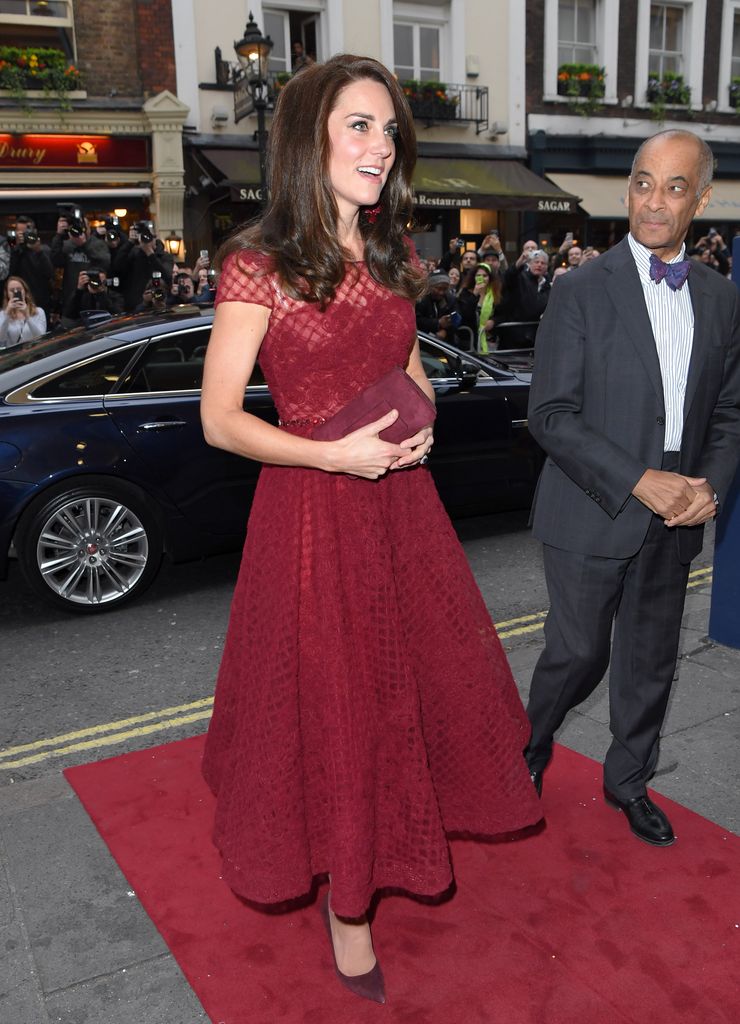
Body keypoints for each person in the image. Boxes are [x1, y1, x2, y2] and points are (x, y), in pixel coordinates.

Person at [200, 53, 541, 1006]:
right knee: (338, 704)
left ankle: (386, 847)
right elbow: (219, 419)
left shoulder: (393, 256)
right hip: (313, 512)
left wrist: (419, 423)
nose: (381, 146)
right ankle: (347, 905)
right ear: (307, 138)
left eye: (389, 130)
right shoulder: (258, 262)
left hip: (400, 509)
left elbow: (407, 368)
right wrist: (331, 456)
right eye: (359, 125)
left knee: (409, 693)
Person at [525, 129, 740, 848]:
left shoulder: (721, 298)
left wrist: (710, 486)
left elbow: (730, 411)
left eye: (674, 187)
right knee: (578, 652)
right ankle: (528, 748)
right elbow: (551, 414)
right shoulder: (580, 289)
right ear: (627, 189)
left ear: (699, 201)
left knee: (650, 660)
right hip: (592, 504)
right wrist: (639, 480)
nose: (653, 201)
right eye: (643, 183)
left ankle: (629, 782)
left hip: (676, 514)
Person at [8, 216, 54, 319]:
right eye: (21, 232)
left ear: (35, 231)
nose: (25, 235)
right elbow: (10, 274)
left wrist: (38, 251)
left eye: (27, 232)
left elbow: (50, 273)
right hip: (19, 301)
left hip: (41, 302)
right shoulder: (14, 251)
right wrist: (16, 248)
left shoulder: (44, 250)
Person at [0, 276, 47, 348]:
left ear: (25, 291)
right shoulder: (3, 314)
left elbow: (40, 337)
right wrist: (7, 315)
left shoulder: (39, 311)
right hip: (15, 353)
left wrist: (27, 317)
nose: (16, 292)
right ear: (7, 294)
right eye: (12, 290)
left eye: (19, 289)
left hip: (35, 352)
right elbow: (1, 338)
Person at [414, 268, 458, 341]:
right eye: (438, 288)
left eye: (445, 289)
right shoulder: (421, 299)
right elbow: (416, 320)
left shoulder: (450, 299)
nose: (441, 292)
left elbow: (456, 319)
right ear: (430, 286)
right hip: (423, 340)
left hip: (445, 342)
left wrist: (446, 331)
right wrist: (438, 323)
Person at [473, 261, 500, 353]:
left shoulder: (496, 294)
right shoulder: (466, 292)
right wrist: (474, 294)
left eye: (485, 276)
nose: (481, 278)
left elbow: (503, 314)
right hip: (472, 339)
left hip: (490, 339)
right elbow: (465, 312)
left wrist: (493, 321)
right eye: (478, 275)